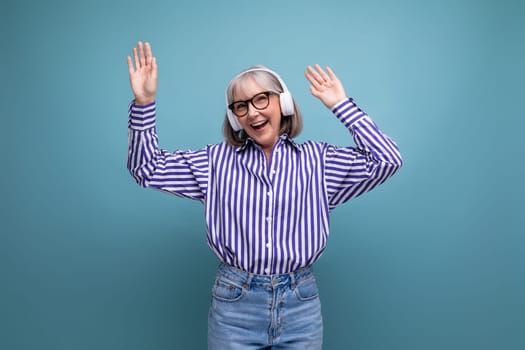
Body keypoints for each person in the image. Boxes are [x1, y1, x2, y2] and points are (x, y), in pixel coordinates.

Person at [126, 41, 402, 349]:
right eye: (240, 106)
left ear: (282, 104)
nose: (251, 112)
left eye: (261, 99)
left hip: (301, 302)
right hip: (235, 303)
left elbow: (388, 159)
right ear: (234, 118)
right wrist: (144, 103)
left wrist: (341, 105)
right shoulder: (214, 163)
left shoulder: (319, 162)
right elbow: (146, 168)